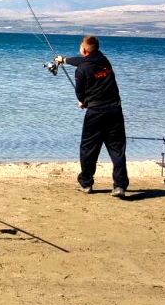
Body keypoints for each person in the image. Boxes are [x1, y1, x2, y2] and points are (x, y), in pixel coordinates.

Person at [55, 35, 129, 198]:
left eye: (81, 45)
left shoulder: (82, 70)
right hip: (115, 110)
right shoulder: (103, 60)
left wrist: (82, 101)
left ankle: (86, 182)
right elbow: (84, 61)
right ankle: (120, 186)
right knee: (117, 149)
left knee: (88, 148)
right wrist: (64, 60)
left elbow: (80, 93)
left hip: (96, 113)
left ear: (84, 49)